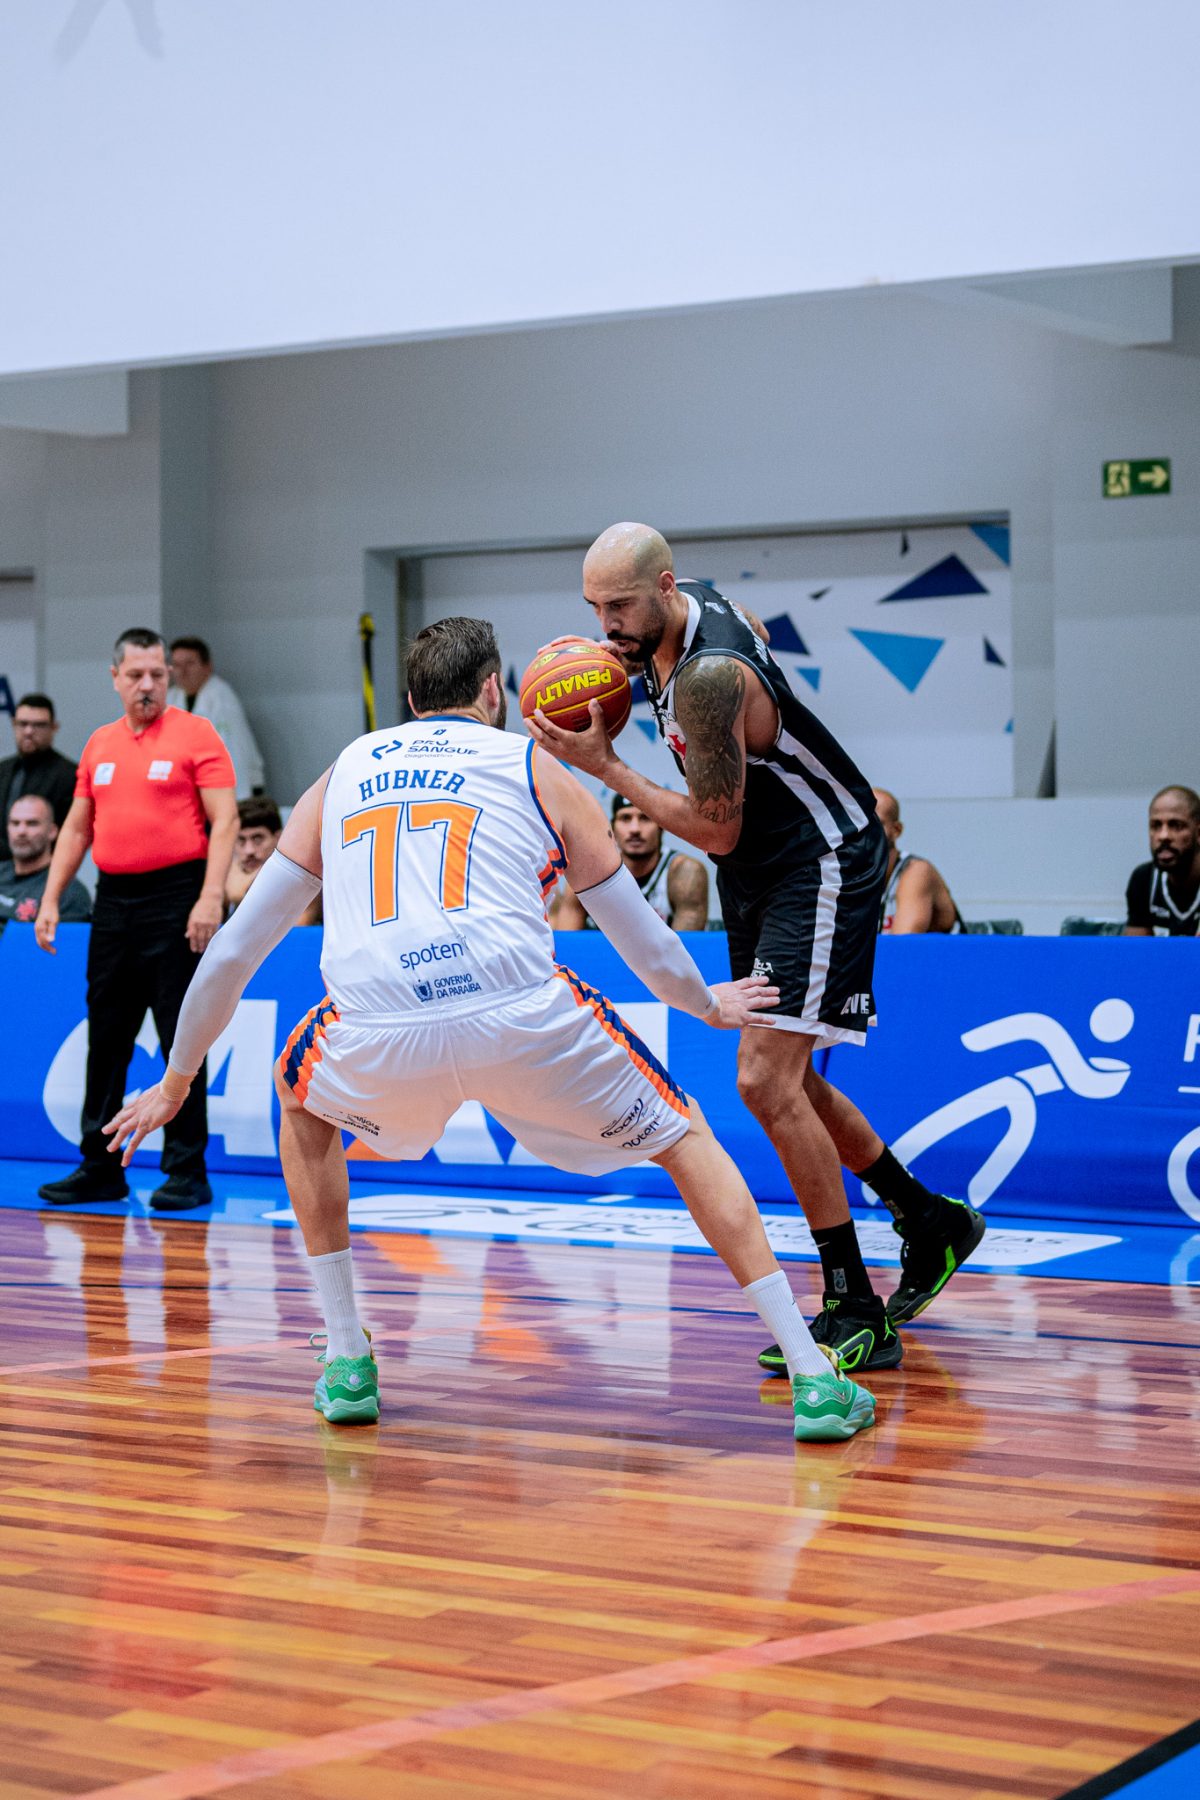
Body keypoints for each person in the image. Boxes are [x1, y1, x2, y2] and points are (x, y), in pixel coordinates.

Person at [104, 616, 874, 1443]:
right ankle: (811, 1374)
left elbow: (233, 950)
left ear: (410, 701)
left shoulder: (344, 770)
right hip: (521, 1016)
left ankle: (347, 1356)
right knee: (686, 1141)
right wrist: (705, 1005)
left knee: (299, 1099)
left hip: (377, 1027)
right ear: (494, 691)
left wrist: (177, 1080)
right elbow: (640, 938)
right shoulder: (536, 767)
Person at [528, 523, 985, 1376]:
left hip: (818, 859)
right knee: (794, 1083)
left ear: (665, 588)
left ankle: (854, 1303)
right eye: (594, 607)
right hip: (759, 869)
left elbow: (714, 829)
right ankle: (929, 1221)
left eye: (619, 606)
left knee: (762, 1082)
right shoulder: (688, 609)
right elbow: (754, 634)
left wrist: (608, 766)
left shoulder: (708, 678)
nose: (606, 625)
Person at [34, 627, 238, 1212]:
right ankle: (99, 1168)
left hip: (176, 898)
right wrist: (50, 899)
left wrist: (210, 897)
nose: (147, 685)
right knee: (107, 1036)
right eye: (135, 675)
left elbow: (224, 821)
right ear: (115, 678)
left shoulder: (197, 734)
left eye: (157, 675)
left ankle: (186, 1171)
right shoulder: (99, 744)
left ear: (168, 677)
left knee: (181, 1037)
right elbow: (76, 829)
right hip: (113, 902)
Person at [549, 792, 709, 930]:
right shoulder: (588, 870)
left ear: (661, 827)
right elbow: (569, 943)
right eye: (625, 818)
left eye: (645, 818)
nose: (635, 829)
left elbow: (688, 949)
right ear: (612, 828)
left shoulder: (684, 873)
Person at [168, 636, 266, 800]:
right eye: (177, 665)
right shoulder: (171, 697)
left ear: (207, 666)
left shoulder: (221, 697)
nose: (183, 671)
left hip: (230, 786)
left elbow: (233, 749)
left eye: (190, 663)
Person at [0, 693, 77, 862]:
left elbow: (73, 834)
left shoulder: (70, 776)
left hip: (47, 868)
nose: (29, 731)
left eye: (39, 725)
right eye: (23, 724)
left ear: (54, 727)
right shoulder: (3, 770)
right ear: (13, 724)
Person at [874, 788, 963, 934]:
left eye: (874, 823)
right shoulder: (846, 874)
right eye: (858, 823)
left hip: (953, 949)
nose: (863, 833)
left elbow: (902, 945)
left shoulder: (916, 873)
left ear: (896, 830)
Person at [0, 794, 91, 933]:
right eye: (15, 823)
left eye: (32, 823)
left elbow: (65, 945)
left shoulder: (68, 892)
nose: (21, 831)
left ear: (52, 831)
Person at [227, 796, 322, 925]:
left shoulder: (303, 875)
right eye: (241, 840)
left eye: (257, 839)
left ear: (278, 838)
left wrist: (246, 893)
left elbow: (295, 931)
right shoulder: (223, 877)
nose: (249, 851)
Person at [1125, 785, 1200, 936]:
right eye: (1156, 826)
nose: (1163, 836)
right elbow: (1136, 948)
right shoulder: (1144, 879)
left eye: (1176, 826)